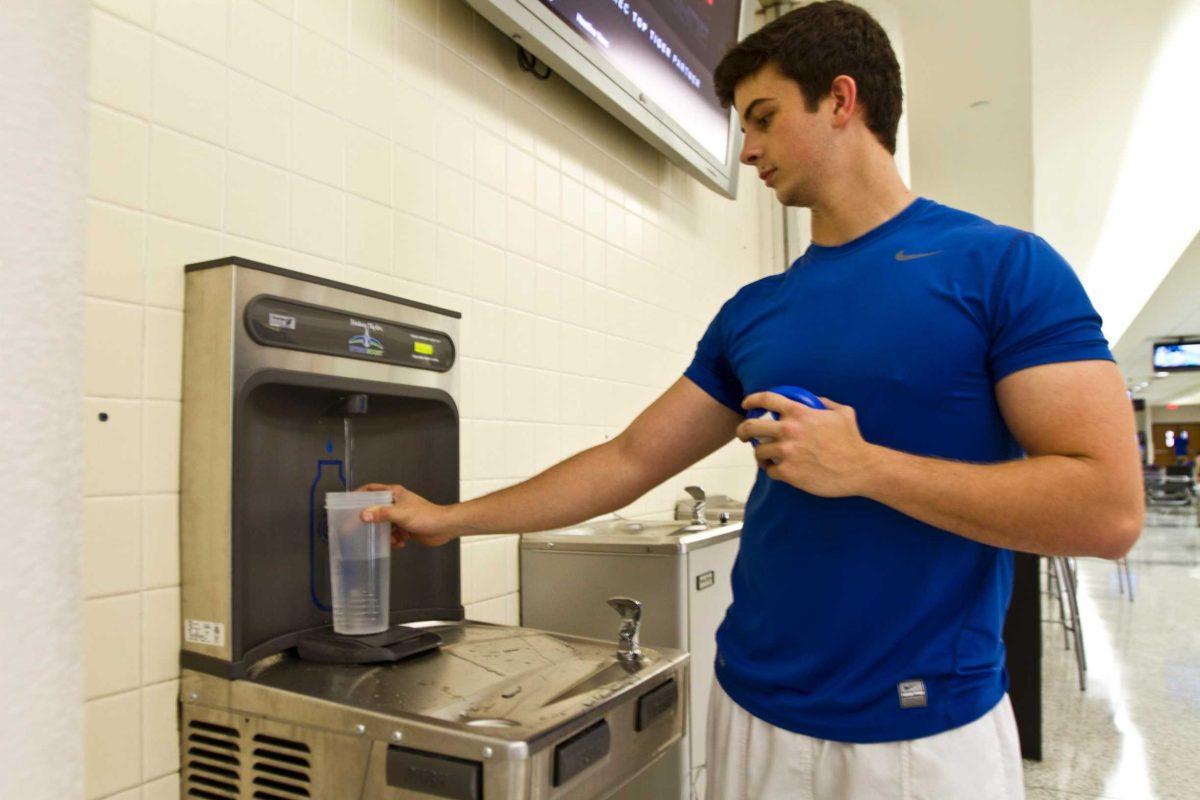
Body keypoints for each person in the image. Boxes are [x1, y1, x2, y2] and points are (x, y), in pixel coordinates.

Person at [360, 2, 1144, 797]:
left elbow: (1107, 510)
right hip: (751, 711)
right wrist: (448, 519)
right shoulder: (753, 311)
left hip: (922, 732)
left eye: (763, 119)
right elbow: (630, 459)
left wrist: (868, 468)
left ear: (842, 101)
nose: (749, 151)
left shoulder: (1003, 267)